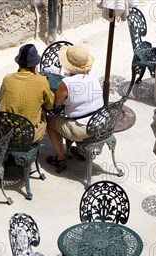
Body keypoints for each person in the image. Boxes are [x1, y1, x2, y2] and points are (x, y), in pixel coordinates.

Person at [46, 43, 104, 173]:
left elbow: (56, 104)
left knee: (50, 121)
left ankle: (60, 157)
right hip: (99, 123)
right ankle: (78, 149)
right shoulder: (93, 74)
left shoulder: (66, 83)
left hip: (82, 129)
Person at [0, 43, 54, 145]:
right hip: (29, 135)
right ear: (35, 65)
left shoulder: (7, 79)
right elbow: (49, 105)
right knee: (43, 113)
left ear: (19, 63)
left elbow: (2, 99)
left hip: (7, 131)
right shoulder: (42, 81)